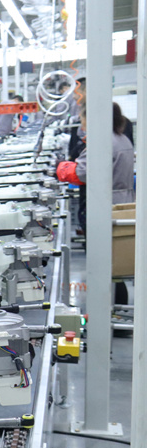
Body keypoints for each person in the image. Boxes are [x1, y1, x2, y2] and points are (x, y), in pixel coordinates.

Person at [57, 103, 135, 305]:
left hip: (104, 206)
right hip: (121, 203)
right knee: (114, 264)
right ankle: (115, 310)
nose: (82, 125)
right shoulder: (121, 138)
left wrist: (61, 167)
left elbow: (82, 173)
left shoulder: (102, 141)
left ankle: (107, 312)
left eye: (83, 121)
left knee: (103, 264)